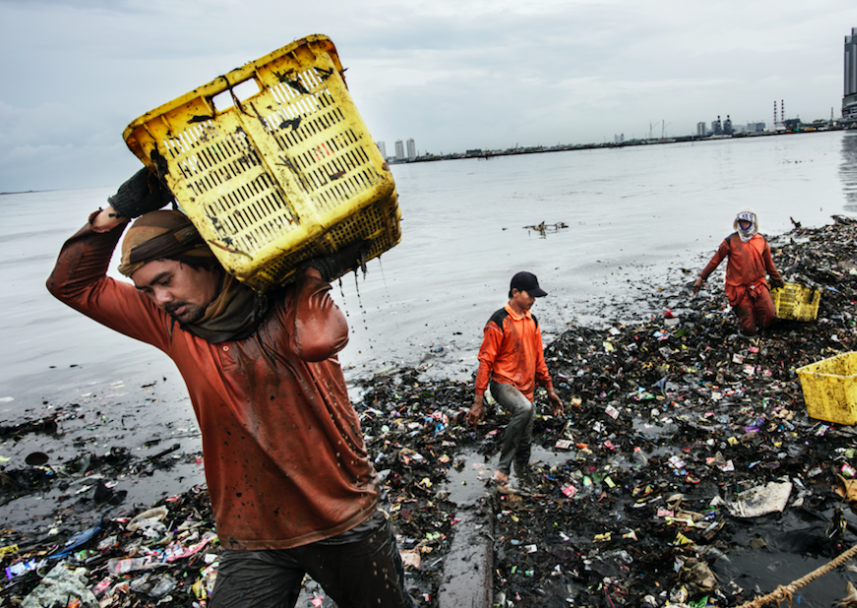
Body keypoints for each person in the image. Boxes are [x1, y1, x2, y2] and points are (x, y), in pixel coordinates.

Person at [47, 169, 416, 608]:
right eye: (146, 291)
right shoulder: (171, 325)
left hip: (342, 518)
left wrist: (314, 275)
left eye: (166, 280)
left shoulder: (280, 296)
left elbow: (318, 339)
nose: (160, 299)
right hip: (252, 532)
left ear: (204, 259)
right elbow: (71, 285)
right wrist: (116, 212)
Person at [466, 271, 564, 488]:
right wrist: (478, 400)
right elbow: (485, 361)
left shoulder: (532, 321)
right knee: (524, 409)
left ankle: (522, 478)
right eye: (530, 295)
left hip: (527, 389)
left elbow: (539, 358)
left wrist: (550, 389)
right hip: (503, 384)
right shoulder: (498, 321)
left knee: (525, 443)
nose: (533, 299)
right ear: (515, 293)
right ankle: (502, 469)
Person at [693, 208, 784, 337]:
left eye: (747, 222)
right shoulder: (730, 241)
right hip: (738, 289)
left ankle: (762, 331)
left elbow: (769, 265)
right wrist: (701, 278)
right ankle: (747, 333)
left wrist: (778, 279)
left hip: (758, 285)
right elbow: (715, 261)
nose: (744, 225)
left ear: (753, 223)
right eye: (741, 222)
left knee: (770, 316)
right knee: (748, 326)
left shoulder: (761, 240)